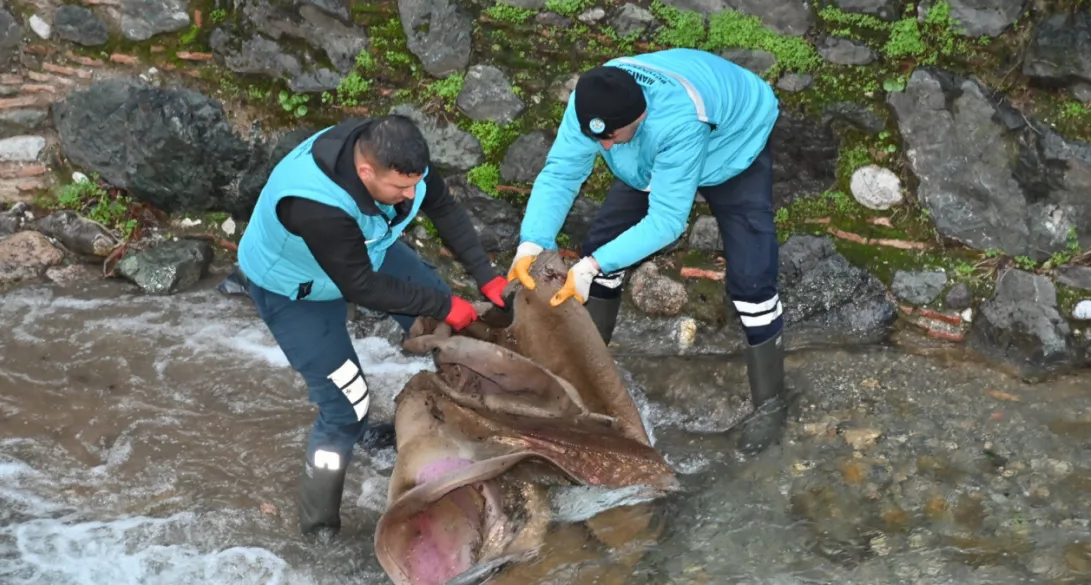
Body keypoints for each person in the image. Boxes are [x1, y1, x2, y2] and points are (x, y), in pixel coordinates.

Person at [235, 114, 509, 542]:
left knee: (451, 332)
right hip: (295, 290)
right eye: (401, 188)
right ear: (366, 172)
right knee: (346, 408)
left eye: (416, 182)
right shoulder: (315, 204)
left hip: (366, 254)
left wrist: (484, 274)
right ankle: (319, 526)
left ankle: (468, 444)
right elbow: (359, 286)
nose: (411, 193)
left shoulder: (400, 157)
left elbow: (443, 207)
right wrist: (442, 303)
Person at [506, 48, 788, 455]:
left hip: (733, 140)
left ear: (638, 120)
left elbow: (668, 221)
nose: (601, 145)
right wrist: (532, 242)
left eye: (610, 138)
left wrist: (593, 265)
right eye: (595, 138)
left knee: (751, 284)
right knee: (602, 246)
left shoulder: (680, 120)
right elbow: (562, 172)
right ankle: (589, 380)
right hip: (654, 150)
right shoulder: (592, 101)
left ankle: (772, 406)